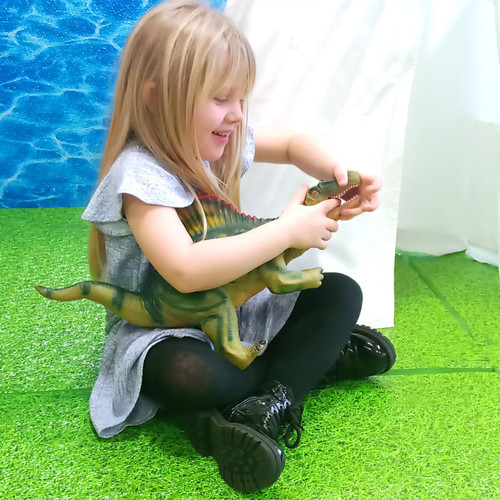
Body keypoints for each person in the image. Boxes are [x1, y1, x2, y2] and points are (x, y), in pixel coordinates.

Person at [82, 0, 395, 493]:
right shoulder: (139, 176)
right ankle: (300, 375)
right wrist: (288, 231)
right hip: (167, 332)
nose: (236, 116)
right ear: (154, 97)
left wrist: (341, 174)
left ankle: (258, 405)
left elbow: (292, 143)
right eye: (221, 98)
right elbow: (185, 270)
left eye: (241, 100)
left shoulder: (221, 143)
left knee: (342, 293)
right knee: (191, 374)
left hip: (239, 312)